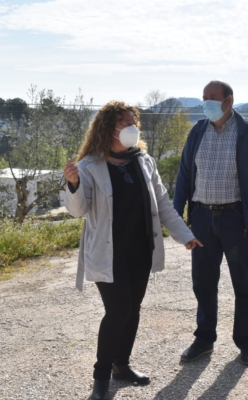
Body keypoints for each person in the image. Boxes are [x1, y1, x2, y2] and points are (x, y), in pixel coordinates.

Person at [63, 101, 202, 400]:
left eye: (134, 121)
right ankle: (101, 378)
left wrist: (185, 235)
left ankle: (121, 366)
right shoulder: (89, 166)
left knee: (133, 310)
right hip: (107, 253)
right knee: (117, 312)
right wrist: (73, 184)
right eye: (126, 123)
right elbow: (79, 210)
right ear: (109, 128)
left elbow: (163, 204)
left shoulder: (144, 161)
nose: (132, 127)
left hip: (140, 250)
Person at [174, 80, 248, 366]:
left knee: (243, 283)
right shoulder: (197, 132)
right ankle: (204, 339)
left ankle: (246, 342)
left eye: (212, 98)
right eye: (204, 97)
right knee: (203, 283)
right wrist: (176, 218)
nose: (206, 103)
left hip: (237, 219)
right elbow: (183, 176)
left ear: (228, 101)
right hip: (202, 218)